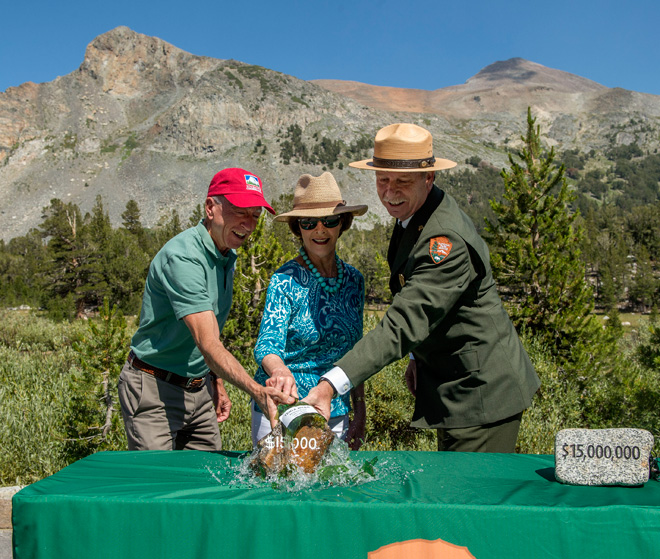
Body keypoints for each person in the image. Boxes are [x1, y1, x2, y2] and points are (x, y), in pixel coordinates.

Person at [303, 124, 541, 453]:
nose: (389, 192)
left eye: (402, 181)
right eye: (382, 180)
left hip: (480, 393)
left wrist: (331, 384)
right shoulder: (417, 214)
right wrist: (417, 355)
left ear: (428, 178)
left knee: (469, 500)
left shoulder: (444, 240)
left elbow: (406, 319)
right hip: (455, 385)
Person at [118, 168, 295, 451]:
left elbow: (208, 332)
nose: (248, 225)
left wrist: (214, 380)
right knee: (159, 486)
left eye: (255, 215)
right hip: (154, 389)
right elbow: (208, 342)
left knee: (205, 483)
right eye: (240, 211)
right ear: (211, 207)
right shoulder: (184, 258)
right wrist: (257, 391)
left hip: (198, 391)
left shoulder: (226, 252)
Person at [251, 172, 368, 450]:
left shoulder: (354, 281)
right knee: (279, 490)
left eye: (329, 220)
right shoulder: (284, 280)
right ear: (297, 227)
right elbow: (267, 344)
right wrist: (279, 370)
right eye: (308, 222)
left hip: (335, 408)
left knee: (329, 490)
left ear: (342, 223)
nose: (319, 230)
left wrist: (360, 410)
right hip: (285, 408)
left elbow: (357, 352)